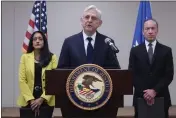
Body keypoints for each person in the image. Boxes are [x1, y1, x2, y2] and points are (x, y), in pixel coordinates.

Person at [57, 5, 120, 117]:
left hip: (102, 103)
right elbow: (61, 69)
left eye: (94, 18)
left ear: (99, 23)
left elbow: (115, 71)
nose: (90, 20)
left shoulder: (107, 42)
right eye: (87, 17)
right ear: (82, 21)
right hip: (74, 102)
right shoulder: (69, 42)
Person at [129, 18, 174, 118]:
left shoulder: (166, 50)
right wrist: (146, 93)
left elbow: (169, 75)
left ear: (157, 31)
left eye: (153, 28)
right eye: (147, 28)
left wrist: (154, 90)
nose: (150, 31)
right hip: (141, 97)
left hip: (161, 96)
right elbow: (132, 74)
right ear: (143, 31)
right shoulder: (135, 51)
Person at [17, 31, 58, 118]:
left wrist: (42, 99)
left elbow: (54, 81)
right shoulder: (24, 57)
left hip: (46, 99)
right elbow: (22, 80)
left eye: (40, 39)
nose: (37, 41)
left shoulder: (52, 57)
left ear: (44, 42)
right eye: (35, 39)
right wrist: (31, 100)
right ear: (32, 42)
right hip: (28, 100)